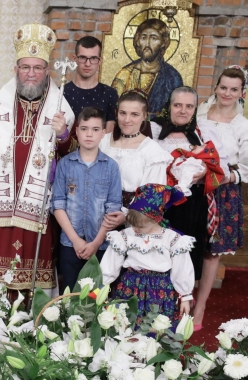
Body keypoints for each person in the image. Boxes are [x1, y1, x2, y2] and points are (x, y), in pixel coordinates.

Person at [0, 23, 74, 293]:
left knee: (33, 271)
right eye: (25, 67)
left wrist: (64, 135)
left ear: (47, 71)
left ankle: (32, 323)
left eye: (37, 68)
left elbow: (73, 157)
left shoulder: (61, 109)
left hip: (38, 208)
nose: (31, 74)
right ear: (16, 70)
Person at [194, 66, 248, 330]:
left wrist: (228, 177)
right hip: (193, 186)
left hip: (222, 190)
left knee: (212, 252)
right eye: (223, 87)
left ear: (241, 93)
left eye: (233, 89)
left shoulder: (244, 127)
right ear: (215, 88)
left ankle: (200, 307)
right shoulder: (199, 115)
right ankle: (183, 298)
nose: (227, 93)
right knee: (187, 244)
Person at [151, 86, 226, 293]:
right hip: (161, 202)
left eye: (189, 106)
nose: (183, 111)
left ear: (194, 109)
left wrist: (204, 172)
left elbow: (218, 165)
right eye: (177, 105)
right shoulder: (153, 129)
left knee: (185, 260)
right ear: (169, 105)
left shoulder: (201, 132)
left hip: (192, 206)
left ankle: (181, 305)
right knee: (157, 256)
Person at [100, 184, 194, 326]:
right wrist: (101, 286)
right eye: (133, 225)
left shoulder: (171, 238)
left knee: (156, 330)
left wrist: (185, 296)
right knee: (126, 326)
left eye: (141, 226)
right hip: (130, 287)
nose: (136, 229)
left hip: (160, 290)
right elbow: (111, 262)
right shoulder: (125, 236)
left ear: (156, 219)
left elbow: (182, 268)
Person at [52, 107, 122, 293]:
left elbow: (113, 209)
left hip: (100, 244)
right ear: (76, 131)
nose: (89, 134)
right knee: (68, 295)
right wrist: (75, 240)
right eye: (84, 129)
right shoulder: (65, 164)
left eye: (95, 129)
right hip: (70, 243)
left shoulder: (112, 167)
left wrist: (96, 243)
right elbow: (58, 205)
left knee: (95, 298)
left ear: (103, 134)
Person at [99, 92, 172, 211]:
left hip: (133, 219)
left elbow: (152, 197)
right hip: (95, 212)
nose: (127, 120)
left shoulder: (153, 152)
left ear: (144, 116)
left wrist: (124, 216)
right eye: (123, 113)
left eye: (134, 114)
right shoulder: (102, 142)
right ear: (116, 113)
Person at [111, 18, 183, 116]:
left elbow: (174, 112)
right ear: (138, 40)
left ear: (163, 43)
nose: (147, 44)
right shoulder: (125, 73)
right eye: (143, 37)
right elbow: (113, 107)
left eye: (154, 38)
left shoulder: (172, 77)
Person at [64, 36, 118, 134]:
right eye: (83, 57)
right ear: (75, 58)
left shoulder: (110, 94)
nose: (88, 64)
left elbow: (108, 136)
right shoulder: (62, 93)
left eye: (93, 58)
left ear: (100, 61)